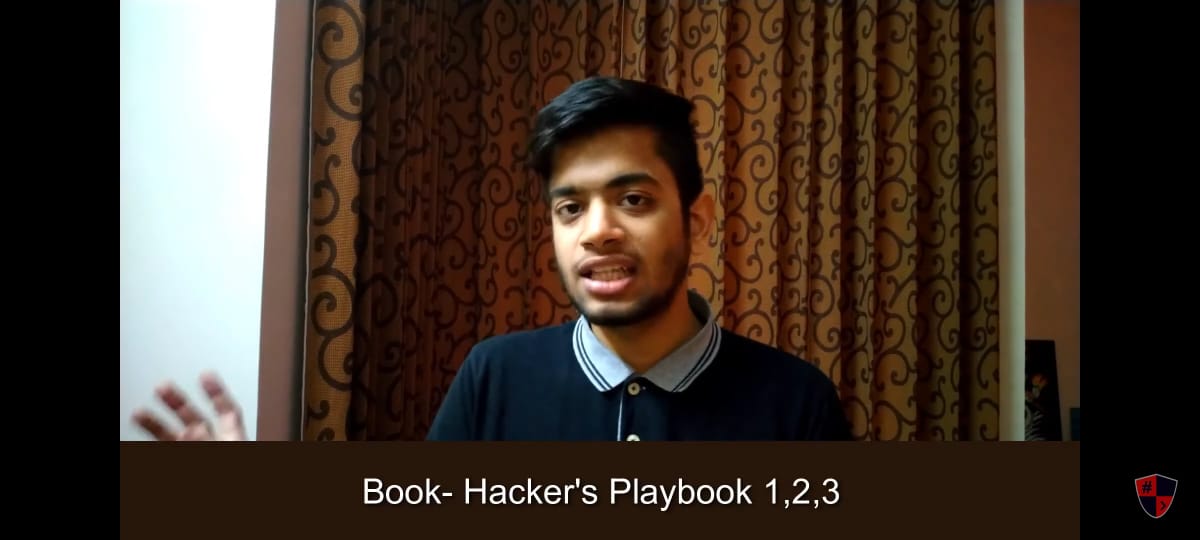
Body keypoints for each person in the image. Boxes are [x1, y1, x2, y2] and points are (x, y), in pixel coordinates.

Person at [129, 76, 853, 442]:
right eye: (570, 208)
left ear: (695, 218)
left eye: (633, 199)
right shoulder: (494, 377)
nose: (597, 231)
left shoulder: (796, 402)